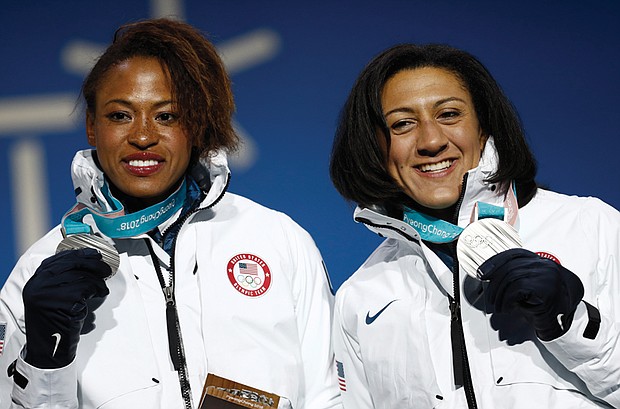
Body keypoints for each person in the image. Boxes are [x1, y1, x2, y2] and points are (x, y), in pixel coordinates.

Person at [0, 18, 342, 409]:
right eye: (120, 116)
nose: (143, 137)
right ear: (92, 128)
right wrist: (45, 362)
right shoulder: (41, 270)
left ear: (198, 126)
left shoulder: (278, 239)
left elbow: (326, 397)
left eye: (167, 116)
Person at [329, 43, 620, 408]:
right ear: (375, 147)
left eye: (449, 114)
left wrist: (573, 323)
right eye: (402, 124)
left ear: (484, 128)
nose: (431, 141)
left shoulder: (591, 227)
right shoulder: (361, 295)